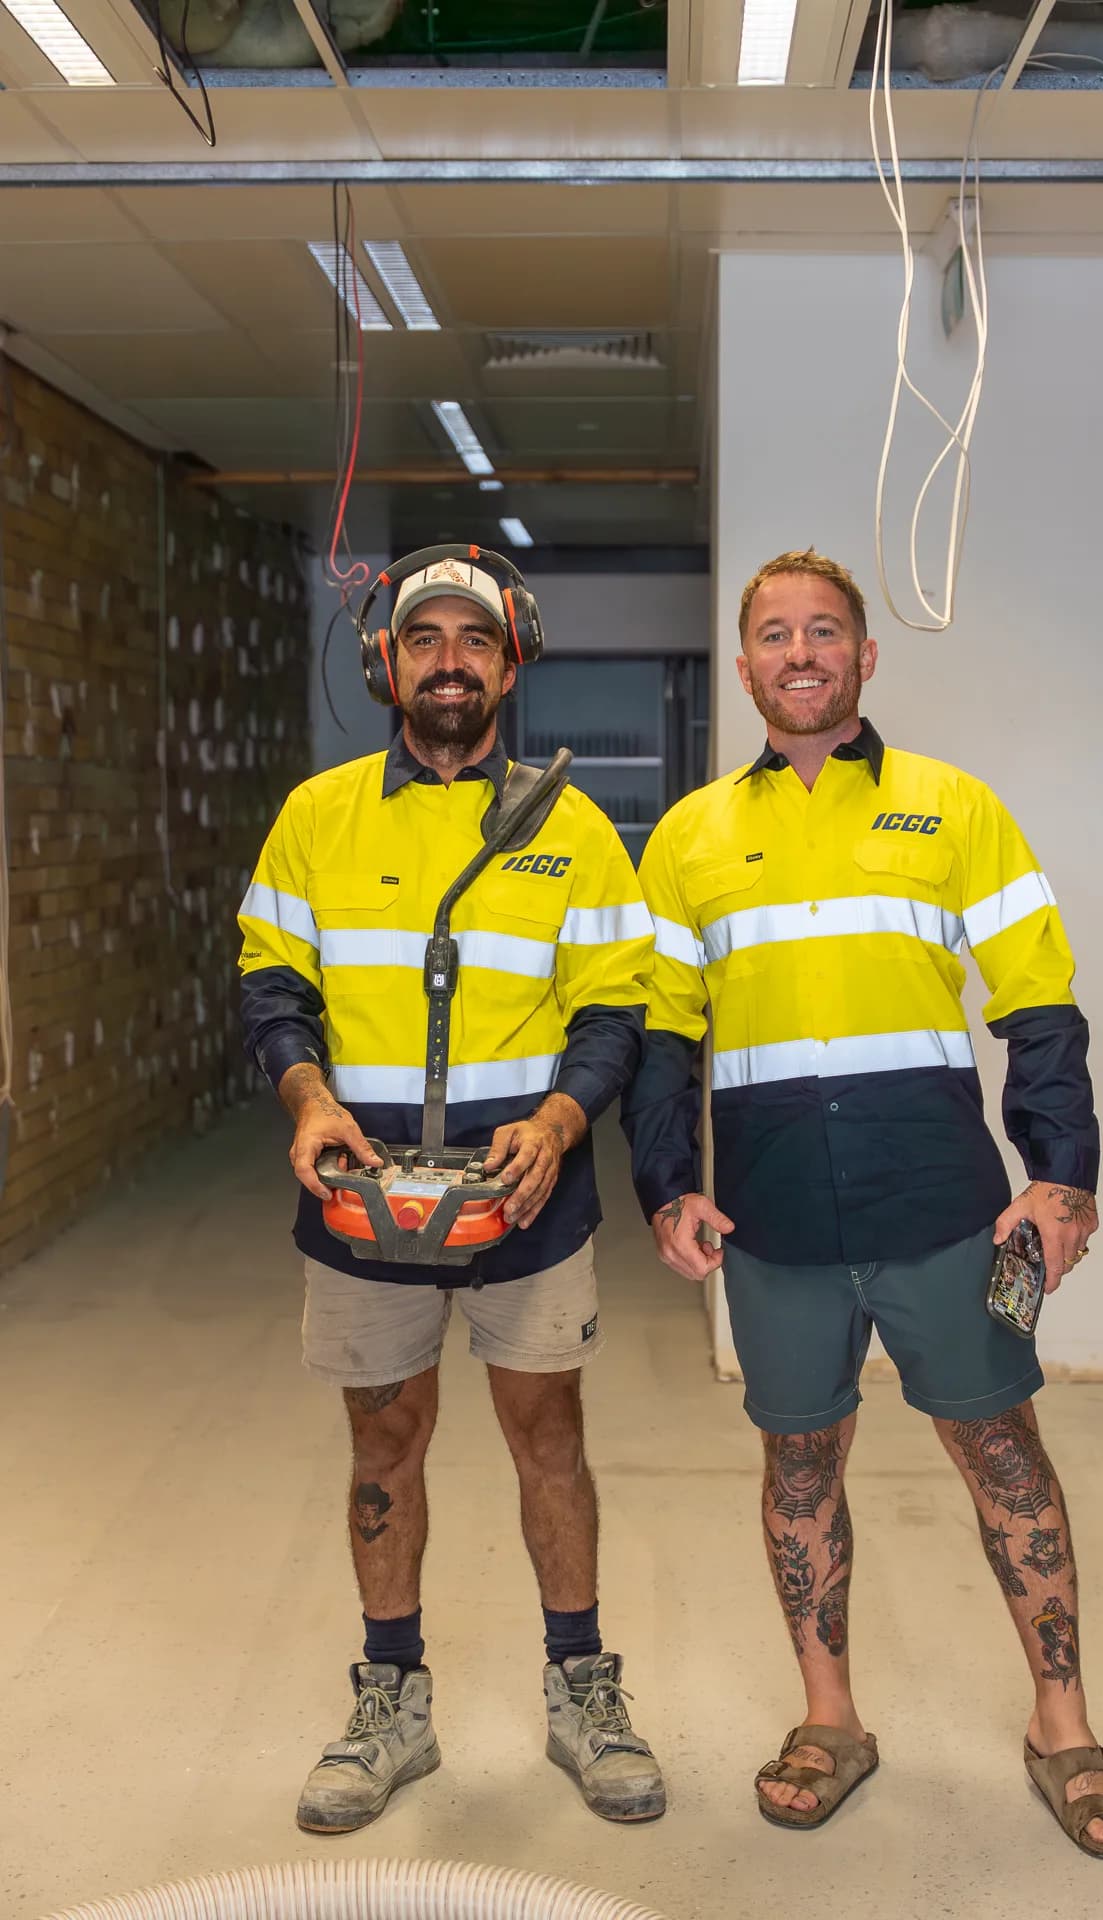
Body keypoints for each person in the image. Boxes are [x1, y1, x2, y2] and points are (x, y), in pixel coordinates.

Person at [622, 548, 1103, 1856]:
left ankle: (1062, 1729)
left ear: (864, 657)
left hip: (939, 1210)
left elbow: (1037, 1007)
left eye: (823, 631)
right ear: (743, 665)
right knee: (797, 1463)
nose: (798, 652)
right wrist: (665, 1184)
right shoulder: (690, 837)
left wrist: (1062, 1172)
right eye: (773, 634)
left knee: (1004, 1456)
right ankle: (829, 1719)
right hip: (773, 1218)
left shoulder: (952, 809)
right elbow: (660, 1037)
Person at [239, 548, 665, 1832]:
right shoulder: (317, 816)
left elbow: (614, 1007)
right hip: (363, 1196)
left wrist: (561, 1113)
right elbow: (272, 984)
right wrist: (308, 1097)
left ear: (507, 663)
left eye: (471, 640)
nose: (446, 659)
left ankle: (582, 1690)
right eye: (421, 636)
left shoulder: (571, 826)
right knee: (384, 1441)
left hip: (524, 1197)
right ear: (385, 662)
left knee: (550, 1440)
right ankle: (392, 1704)